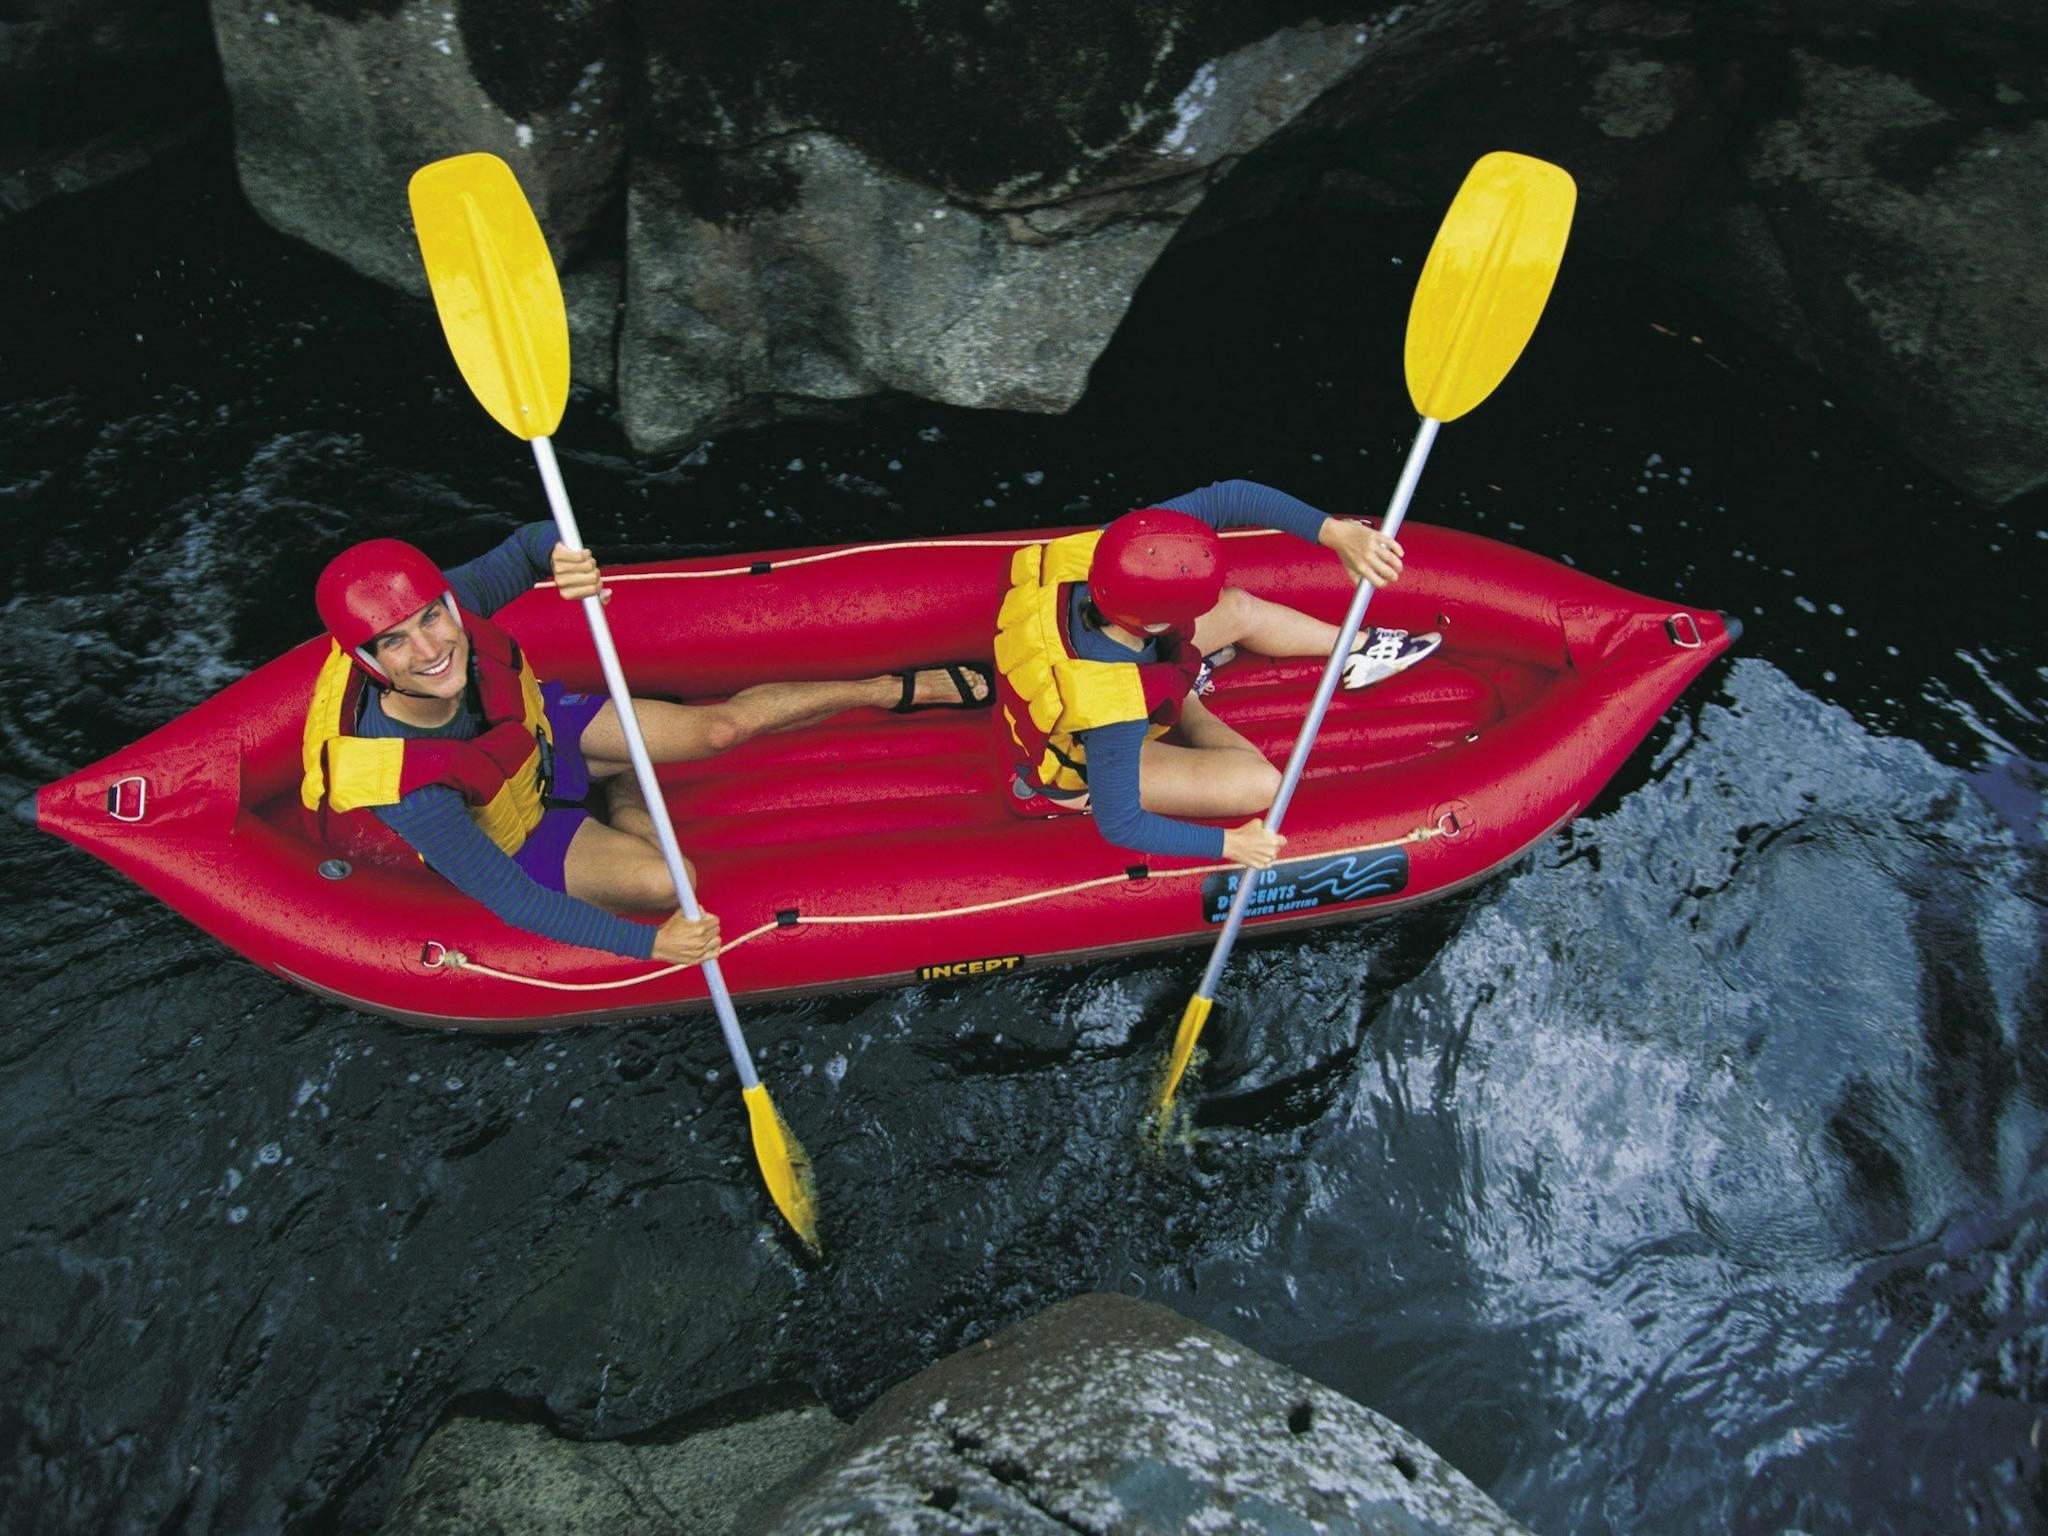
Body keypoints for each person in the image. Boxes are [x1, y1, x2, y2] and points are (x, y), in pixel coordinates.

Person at [303, 522, 991, 964]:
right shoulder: (404, 783)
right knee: (674, 883)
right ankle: (624, 787)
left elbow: (527, 543)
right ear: (368, 661)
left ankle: (886, 689)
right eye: (396, 641)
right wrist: (651, 943)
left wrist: (562, 557)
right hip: (523, 833)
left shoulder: (453, 605)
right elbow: (511, 899)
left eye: (431, 618)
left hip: (538, 745)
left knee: (719, 727)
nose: (430, 649)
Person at [993, 479, 1439, 872]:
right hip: (1081, 763)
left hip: (1110, 659)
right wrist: (1231, 844)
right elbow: (1121, 823)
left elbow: (1228, 496)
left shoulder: (1119, 546)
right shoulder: (1114, 710)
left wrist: (1334, 532)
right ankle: (1185, 697)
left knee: (1239, 607)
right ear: (1152, 625)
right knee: (1263, 785)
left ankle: (1357, 646)